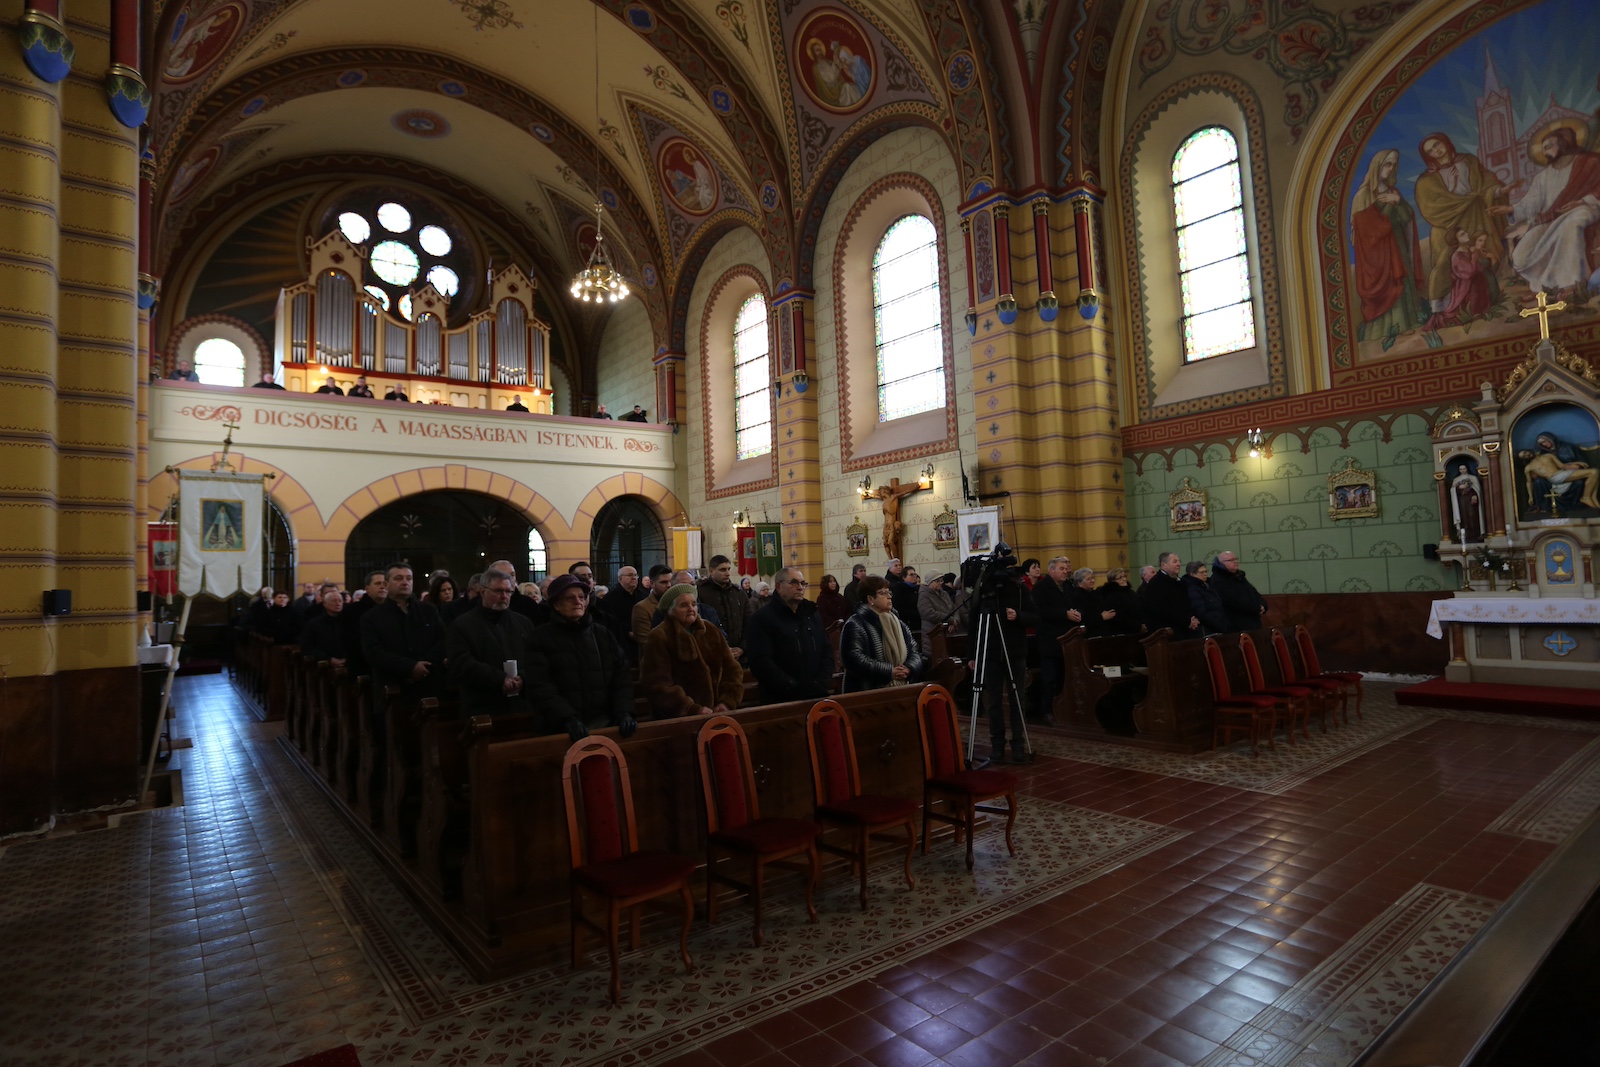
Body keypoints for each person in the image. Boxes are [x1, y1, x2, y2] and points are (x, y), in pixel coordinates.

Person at [525, 575, 636, 739]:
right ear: (556, 604)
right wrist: (566, 718)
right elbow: (541, 686)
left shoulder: (601, 633)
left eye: (582, 597)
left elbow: (621, 676)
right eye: (570, 598)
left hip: (605, 724)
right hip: (561, 728)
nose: (578, 602)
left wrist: (623, 711)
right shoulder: (539, 637)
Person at [1412, 132, 1508, 313]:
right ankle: (1440, 307)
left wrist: (1498, 191)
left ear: (1445, 142)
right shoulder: (1426, 181)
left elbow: (1485, 183)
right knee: (1444, 262)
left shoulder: (1469, 161)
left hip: (1475, 216)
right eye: (1430, 151)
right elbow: (1429, 207)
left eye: (1437, 144)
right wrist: (1459, 199)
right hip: (1447, 224)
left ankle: (1481, 301)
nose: (1436, 151)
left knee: (1480, 257)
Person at [1507, 123, 1600, 296]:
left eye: (1549, 146)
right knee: (1521, 256)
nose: (1545, 152)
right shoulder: (1542, 176)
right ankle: (1546, 285)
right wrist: (1511, 209)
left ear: (1564, 143)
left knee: (1572, 223)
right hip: (1552, 217)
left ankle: (1572, 283)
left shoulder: (1590, 162)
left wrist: (1582, 201)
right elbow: (1531, 203)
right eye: (1543, 148)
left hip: (1586, 208)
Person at [1351, 148, 1428, 349]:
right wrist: (1390, 206)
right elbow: (1368, 230)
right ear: (1377, 166)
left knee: (1401, 281)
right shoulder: (1363, 196)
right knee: (1388, 285)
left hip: (1397, 246)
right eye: (1387, 164)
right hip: (1378, 254)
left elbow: (1406, 217)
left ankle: (1407, 323)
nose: (1391, 168)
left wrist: (1398, 202)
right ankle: (1386, 330)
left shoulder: (1393, 192)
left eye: (1394, 165)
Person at [639, 584, 743, 718]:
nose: (691, 609)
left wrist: (726, 701)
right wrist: (691, 708)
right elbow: (657, 684)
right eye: (684, 605)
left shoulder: (711, 630)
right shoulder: (659, 636)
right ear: (671, 610)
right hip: (679, 720)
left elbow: (732, 669)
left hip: (718, 713)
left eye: (694, 604)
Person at [965, 562, 1034, 762]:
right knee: (993, 701)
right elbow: (974, 624)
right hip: (990, 652)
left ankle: (1018, 744)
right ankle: (997, 743)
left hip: (1014, 652)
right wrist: (972, 655)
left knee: (1017, 700)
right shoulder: (985, 592)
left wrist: (1018, 616)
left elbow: (1034, 617)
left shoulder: (1019, 589)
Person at [446, 570, 535, 719]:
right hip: (482, 706)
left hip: (521, 704)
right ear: (483, 592)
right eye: (498, 591)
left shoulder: (523, 623)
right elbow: (461, 662)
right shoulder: (462, 625)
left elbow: (535, 658)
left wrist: (522, 678)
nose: (504, 596)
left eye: (508, 591)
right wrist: (500, 679)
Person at [744, 568, 833, 703]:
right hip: (780, 699)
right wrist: (794, 687)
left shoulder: (812, 614)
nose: (800, 587)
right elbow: (761, 662)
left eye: (803, 583)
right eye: (794, 583)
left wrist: (820, 682)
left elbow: (826, 650)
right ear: (779, 586)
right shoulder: (762, 619)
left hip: (816, 693)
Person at [360, 563, 447, 699]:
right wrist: (410, 668)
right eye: (398, 578)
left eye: (409, 578)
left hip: (428, 683)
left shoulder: (428, 610)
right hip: (392, 687)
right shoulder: (371, 617)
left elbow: (442, 641)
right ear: (386, 584)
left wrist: (424, 666)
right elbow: (373, 652)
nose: (405, 582)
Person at [840, 576, 923, 692]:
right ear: (870, 599)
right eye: (882, 593)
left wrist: (909, 668)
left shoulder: (898, 622)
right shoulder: (856, 624)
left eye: (889, 592)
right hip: (868, 691)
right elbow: (853, 659)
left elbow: (914, 651)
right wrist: (888, 671)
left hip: (902, 687)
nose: (889, 596)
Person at [1030, 557, 1076, 726]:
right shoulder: (1041, 588)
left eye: (1066, 568)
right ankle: (1046, 710)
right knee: (1049, 678)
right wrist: (1064, 614)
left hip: (1067, 639)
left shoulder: (1068, 586)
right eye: (1061, 569)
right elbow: (1040, 612)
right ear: (1051, 571)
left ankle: (1063, 707)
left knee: (1065, 677)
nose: (1065, 571)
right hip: (1049, 640)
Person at [696, 555, 753, 658]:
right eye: (722, 570)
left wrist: (742, 648)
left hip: (739, 653)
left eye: (728, 569)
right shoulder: (701, 592)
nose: (727, 573)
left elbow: (749, 621)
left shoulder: (739, 593)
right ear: (711, 571)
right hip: (712, 654)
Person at [1142, 552, 1199, 639]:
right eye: (1175, 561)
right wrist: (1187, 621)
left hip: (1185, 628)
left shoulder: (1181, 582)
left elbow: (1187, 603)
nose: (1179, 564)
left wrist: (1192, 619)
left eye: (1179, 561)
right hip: (1166, 632)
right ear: (1163, 565)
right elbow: (1161, 610)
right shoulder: (1156, 583)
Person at [1210, 552, 1267, 632]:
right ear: (1221, 563)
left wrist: (1262, 605)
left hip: (1252, 620)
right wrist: (1256, 608)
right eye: (1231, 560)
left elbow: (1254, 593)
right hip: (1235, 624)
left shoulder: (1239, 576)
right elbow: (1233, 601)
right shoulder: (1218, 580)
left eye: (1236, 559)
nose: (1236, 562)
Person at [298, 586, 349, 667]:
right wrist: (328, 659)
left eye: (340, 601)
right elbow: (307, 647)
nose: (338, 604)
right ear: (325, 604)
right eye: (334, 601)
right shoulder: (314, 624)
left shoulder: (349, 622)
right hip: (322, 664)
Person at [917, 571, 966, 653]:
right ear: (930, 582)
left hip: (948, 634)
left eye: (941, 580)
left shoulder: (944, 594)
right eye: (937, 581)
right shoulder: (924, 595)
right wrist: (951, 620)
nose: (940, 583)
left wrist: (955, 622)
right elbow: (929, 614)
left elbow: (955, 609)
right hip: (933, 635)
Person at [1183, 561, 1228, 637]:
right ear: (1192, 574)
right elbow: (1201, 611)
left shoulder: (1208, 586)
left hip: (1217, 626)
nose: (1205, 574)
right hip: (1206, 630)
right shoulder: (1192, 589)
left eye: (1206, 571)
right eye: (1202, 572)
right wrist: (1217, 624)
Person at [632, 564, 673, 649]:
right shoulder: (642, 608)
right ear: (652, 583)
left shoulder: (677, 603)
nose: (669, 585)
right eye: (664, 582)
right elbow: (646, 641)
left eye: (671, 581)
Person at [1097, 569, 1143, 636]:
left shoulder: (1130, 592)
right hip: (1121, 632)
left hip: (1136, 629)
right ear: (1112, 581)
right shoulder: (1111, 595)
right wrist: (1137, 626)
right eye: (1120, 578)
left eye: (1124, 576)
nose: (1124, 579)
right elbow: (1119, 616)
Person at [891, 566, 922, 637]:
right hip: (908, 622)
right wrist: (917, 614)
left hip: (920, 621)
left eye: (915, 574)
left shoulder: (919, 589)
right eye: (911, 575)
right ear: (904, 577)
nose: (914, 576)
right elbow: (899, 607)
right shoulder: (899, 589)